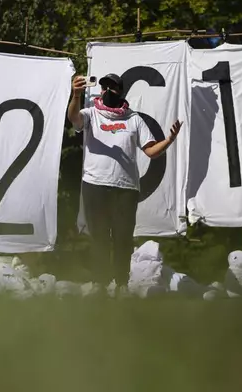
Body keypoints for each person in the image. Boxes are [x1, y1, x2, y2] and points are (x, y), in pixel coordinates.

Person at [67, 73, 183, 291]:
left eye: (113, 87)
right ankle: (100, 284)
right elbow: (74, 118)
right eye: (104, 87)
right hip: (95, 185)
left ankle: (121, 284)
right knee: (99, 237)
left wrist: (169, 140)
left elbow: (151, 151)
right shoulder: (91, 113)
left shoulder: (134, 119)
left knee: (123, 239)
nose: (107, 91)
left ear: (121, 92)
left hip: (126, 189)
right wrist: (75, 94)